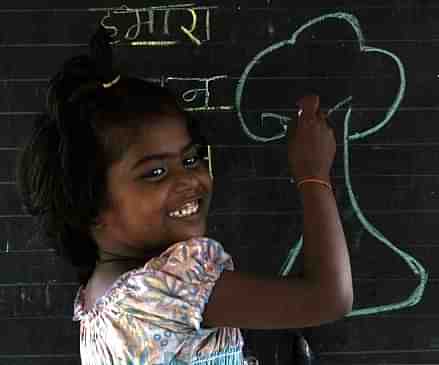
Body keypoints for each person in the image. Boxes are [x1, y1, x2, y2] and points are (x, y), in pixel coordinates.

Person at [16, 27, 352, 365]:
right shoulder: (167, 289)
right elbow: (328, 297)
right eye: (155, 172)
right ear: (89, 204)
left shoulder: (99, 298)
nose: (189, 178)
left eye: (191, 159)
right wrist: (313, 174)